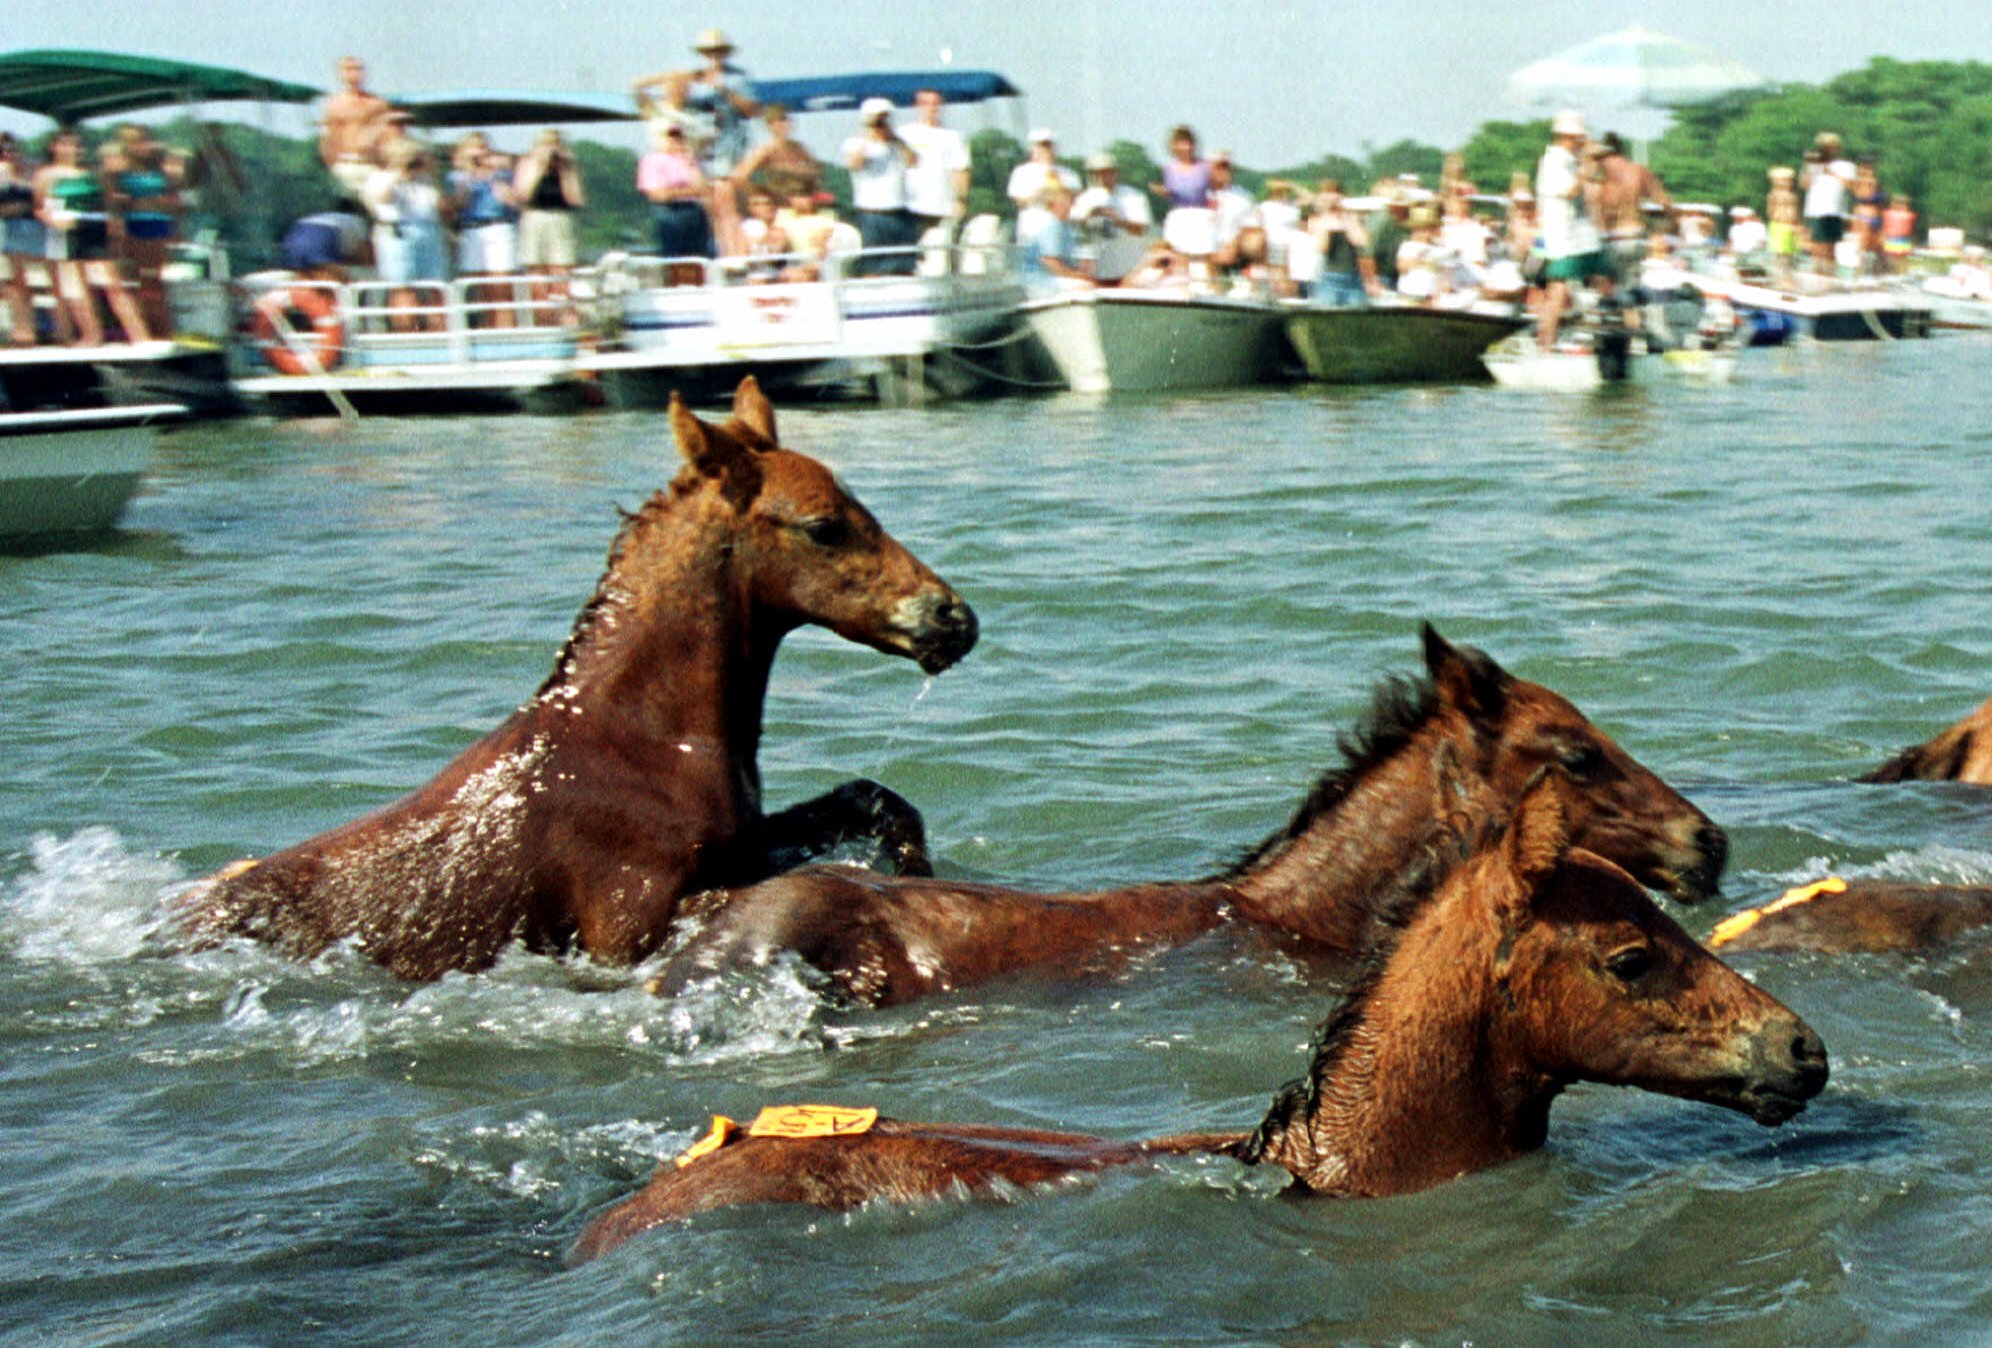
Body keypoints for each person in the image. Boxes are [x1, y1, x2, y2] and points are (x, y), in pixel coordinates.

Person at [1533, 110, 1607, 350]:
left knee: (1603, 278)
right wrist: (1588, 164)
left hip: (1580, 235)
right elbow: (1571, 191)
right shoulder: (1553, 161)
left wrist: (1590, 164)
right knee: (1558, 289)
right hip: (1562, 236)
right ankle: (1545, 344)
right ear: (1568, 136)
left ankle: (1596, 336)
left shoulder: (1570, 161)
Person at [364, 142, 447, 332]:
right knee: (402, 289)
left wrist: (432, 175)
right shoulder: (379, 178)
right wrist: (399, 174)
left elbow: (443, 207)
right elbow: (383, 199)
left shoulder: (425, 181)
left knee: (435, 288)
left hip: (427, 231)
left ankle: (439, 334)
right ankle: (406, 334)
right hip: (397, 233)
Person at [511, 129, 587, 323]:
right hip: (534, 217)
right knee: (536, 279)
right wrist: (539, 166)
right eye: (548, 144)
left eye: (557, 144)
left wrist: (566, 170)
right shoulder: (527, 163)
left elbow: (576, 199)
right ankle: (544, 322)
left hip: (560, 218)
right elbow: (522, 196)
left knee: (562, 276)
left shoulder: (566, 168)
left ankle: (566, 321)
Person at [842, 97, 920, 276]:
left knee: (905, 265)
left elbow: (914, 161)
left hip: (899, 211)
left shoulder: (898, 146)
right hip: (871, 214)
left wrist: (894, 138)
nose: (882, 124)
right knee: (872, 266)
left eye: (885, 119)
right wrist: (868, 135)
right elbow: (855, 163)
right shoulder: (855, 144)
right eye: (878, 120)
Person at [448, 135, 518, 325]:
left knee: (501, 290)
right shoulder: (459, 177)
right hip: (472, 230)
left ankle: (505, 334)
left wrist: (495, 174)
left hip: (498, 227)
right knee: (475, 288)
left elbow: (513, 202)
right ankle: (482, 330)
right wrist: (470, 174)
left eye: (484, 150)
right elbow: (458, 205)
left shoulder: (501, 175)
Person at [1593, 131, 1671, 299]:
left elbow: (1592, 211)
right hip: (1635, 237)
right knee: (1630, 291)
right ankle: (1632, 317)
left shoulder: (1599, 177)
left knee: (1605, 291)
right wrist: (1666, 227)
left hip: (1610, 240)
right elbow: (1664, 202)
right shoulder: (1639, 171)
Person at [637, 122, 712, 281]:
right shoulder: (652, 160)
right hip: (668, 211)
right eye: (671, 137)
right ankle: (676, 282)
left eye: (679, 137)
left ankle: (697, 283)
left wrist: (690, 164)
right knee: (672, 256)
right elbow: (658, 194)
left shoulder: (689, 160)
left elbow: (704, 188)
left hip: (694, 210)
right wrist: (689, 191)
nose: (676, 141)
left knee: (699, 255)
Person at [898, 87, 970, 244]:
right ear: (917, 105)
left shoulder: (953, 137)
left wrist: (960, 200)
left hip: (941, 208)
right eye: (926, 103)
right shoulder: (903, 134)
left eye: (935, 103)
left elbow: (960, 170)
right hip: (909, 208)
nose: (931, 107)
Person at [319, 56, 394, 205]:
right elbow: (328, 138)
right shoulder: (334, 104)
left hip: (371, 165)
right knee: (344, 206)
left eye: (358, 69)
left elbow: (387, 135)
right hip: (345, 165)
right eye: (348, 70)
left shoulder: (377, 103)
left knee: (378, 206)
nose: (354, 74)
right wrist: (331, 165)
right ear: (340, 74)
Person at [1071, 152, 1152, 283]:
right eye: (1096, 173)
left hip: (1129, 268)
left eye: (1107, 172)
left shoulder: (1134, 196)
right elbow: (1074, 228)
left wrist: (1119, 221)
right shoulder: (1084, 199)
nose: (1102, 177)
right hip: (1097, 270)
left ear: (1116, 173)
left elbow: (1142, 229)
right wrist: (1090, 215)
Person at [730, 104, 822, 209]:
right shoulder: (767, 150)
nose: (782, 125)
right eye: (776, 122)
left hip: (803, 203)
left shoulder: (799, 148)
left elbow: (816, 172)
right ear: (769, 126)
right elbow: (738, 176)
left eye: (784, 120)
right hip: (780, 206)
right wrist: (760, 195)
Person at [0, 133, 45, 344]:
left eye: (11, 147)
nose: (8, 152)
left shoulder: (30, 170)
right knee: (14, 283)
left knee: (20, 282)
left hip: (31, 229)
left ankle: (29, 328)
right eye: (3, 148)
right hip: (10, 230)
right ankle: (24, 328)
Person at [1306, 179, 1376, 306]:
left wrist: (1347, 218)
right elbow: (1322, 248)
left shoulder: (1352, 218)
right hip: (1329, 278)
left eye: (1335, 193)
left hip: (1353, 278)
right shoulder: (1318, 219)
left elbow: (1362, 241)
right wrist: (1328, 217)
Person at [1016, 182, 1088, 288]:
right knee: (1085, 286)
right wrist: (1075, 275)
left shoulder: (1065, 226)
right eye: (1066, 200)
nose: (1071, 204)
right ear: (1053, 203)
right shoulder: (1052, 225)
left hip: (1051, 278)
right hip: (1039, 280)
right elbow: (1050, 261)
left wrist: (1081, 272)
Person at [1801, 134, 1854, 272]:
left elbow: (1850, 185)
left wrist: (1829, 171)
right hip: (1815, 211)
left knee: (1830, 249)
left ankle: (1829, 276)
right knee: (1816, 248)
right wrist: (1809, 165)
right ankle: (1817, 274)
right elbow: (1804, 184)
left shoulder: (1845, 165)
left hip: (1833, 211)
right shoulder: (1813, 165)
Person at [279, 208, 370, 280]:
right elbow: (365, 257)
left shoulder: (344, 223)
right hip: (320, 233)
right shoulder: (359, 225)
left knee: (304, 280)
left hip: (295, 234)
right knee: (340, 280)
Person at [1006, 129, 1077, 211]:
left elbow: (1074, 202)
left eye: (1049, 146)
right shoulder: (1021, 172)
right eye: (1041, 146)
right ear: (1032, 149)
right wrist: (1040, 195)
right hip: (1034, 221)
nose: (1045, 150)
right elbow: (1020, 202)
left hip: (1063, 222)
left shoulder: (1069, 174)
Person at [1149, 124, 1211, 210]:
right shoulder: (1168, 170)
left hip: (1202, 213)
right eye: (1181, 143)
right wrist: (1162, 191)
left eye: (1188, 142)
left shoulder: (1205, 167)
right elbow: (1166, 191)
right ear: (1174, 146)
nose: (1186, 147)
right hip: (1178, 214)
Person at [1765, 166, 1803, 282]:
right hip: (1779, 225)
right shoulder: (1774, 194)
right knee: (1781, 254)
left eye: (1789, 181)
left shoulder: (1793, 196)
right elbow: (1770, 211)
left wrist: (1797, 225)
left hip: (1790, 225)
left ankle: (1786, 277)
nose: (1788, 183)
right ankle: (1781, 278)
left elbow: (1796, 212)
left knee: (1789, 254)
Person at [1881, 194, 1916, 273]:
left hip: (1903, 241)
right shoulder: (1888, 214)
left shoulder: (1908, 215)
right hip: (1891, 241)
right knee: (1890, 261)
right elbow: (1884, 228)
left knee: (1902, 261)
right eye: (1897, 203)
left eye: (1903, 204)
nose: (1900, 206)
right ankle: (1890, 272)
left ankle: (1901, 273)